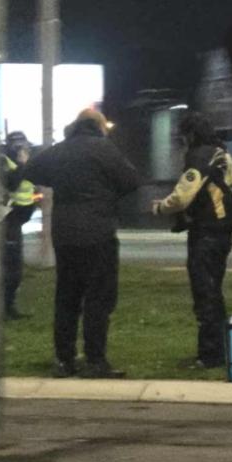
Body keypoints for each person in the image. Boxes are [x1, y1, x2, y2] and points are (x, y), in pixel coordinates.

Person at [24, 108, 140, 378]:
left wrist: (57, 182)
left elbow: (31, 169)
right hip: (98, 233)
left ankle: (64, 360)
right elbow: (131, 180)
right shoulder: (104, 149)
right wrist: (108, 194)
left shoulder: (60, 150)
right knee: (98, 299)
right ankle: (95, 361)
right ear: (99, 126)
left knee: (66, 298)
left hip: (64, 235)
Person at [150, 112, 232, 368]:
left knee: (205, 293)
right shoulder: (223, 153)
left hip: (207, 232)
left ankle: (209, 355)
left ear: (190, 135)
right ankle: (220, 349)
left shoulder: (199, 156)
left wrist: (160, 208)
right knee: (214, 290)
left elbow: (183, 196)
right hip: (224, 229)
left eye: (183, 136)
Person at [0, 131, 38, 320]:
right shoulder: (3, 162)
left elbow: (31, 188)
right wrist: (22, 164)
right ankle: (4, 308)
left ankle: (8, 306)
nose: (25, 150)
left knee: (15, 268)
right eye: (22, 147)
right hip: (5, 221)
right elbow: (12, 185)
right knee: (9, 267)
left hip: (16, 220)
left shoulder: (24, 163)